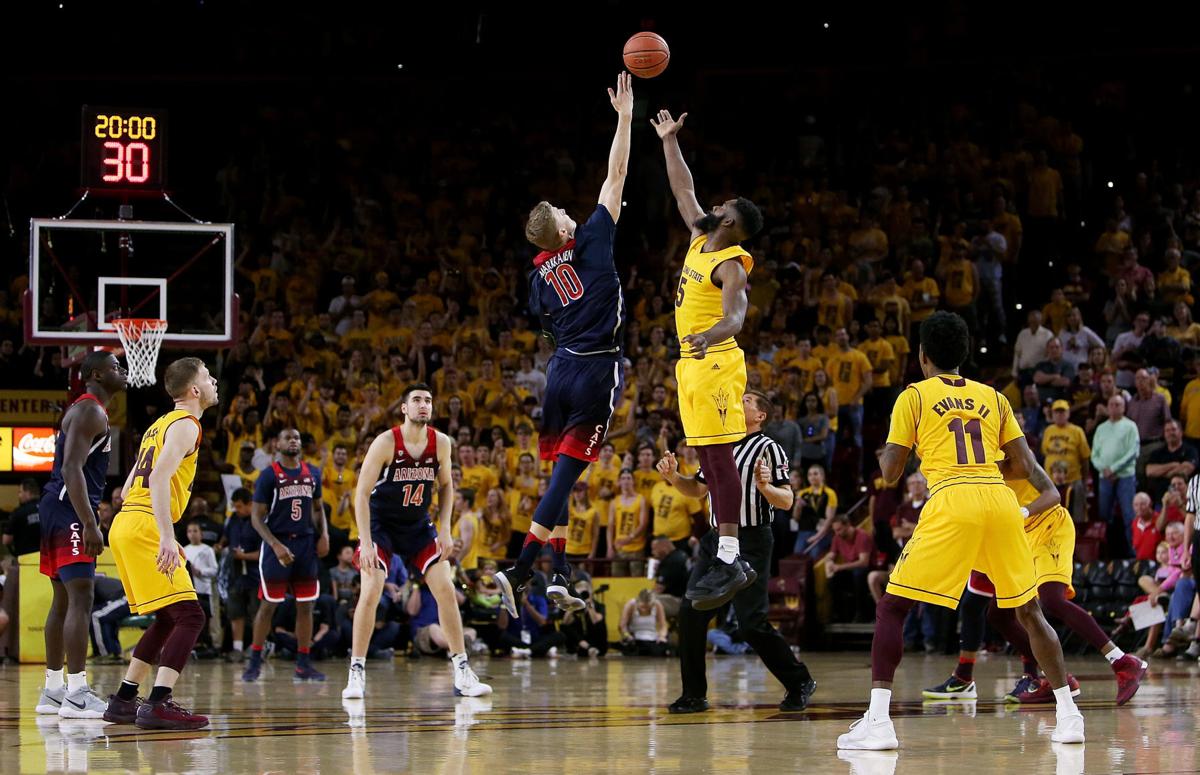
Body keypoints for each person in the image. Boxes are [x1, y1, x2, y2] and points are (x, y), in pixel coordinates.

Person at [836, 312, 1084, 750]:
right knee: (1029, 612)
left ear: (922, 356)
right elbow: (1024, 466)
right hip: (1001, 500)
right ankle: (1069, 716)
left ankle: (877, 723)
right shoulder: (994, 396)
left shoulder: (913, 396)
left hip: (952, 498)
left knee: (892, 609)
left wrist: (893, 452)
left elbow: (891, 473)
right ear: (964, 354)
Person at [495, 73, 633, 616]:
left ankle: (563, 572)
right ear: (562, 230)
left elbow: (548, 326)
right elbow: (616, 173)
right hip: (596, 370)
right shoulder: (593, 237)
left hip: (559, 371)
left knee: (562, 478)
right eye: (559, 211)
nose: (566, 209)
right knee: (565, 478)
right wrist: (624, 117)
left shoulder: (535, 279)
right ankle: (522, 566)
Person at [651, 107, 765, 610]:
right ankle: (726, 552)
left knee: (719, 458)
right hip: (692, 363)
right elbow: (683, 190)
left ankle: (731, 554)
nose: (714, 203)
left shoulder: (730, 264)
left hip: (717, 359)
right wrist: (669, 141)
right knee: (706, 457)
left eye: (724, 203)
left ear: (732, 219)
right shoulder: (701, 238)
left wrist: (710, 334)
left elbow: (736, 317)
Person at [924, 459, 1147, 705]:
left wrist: (1024, 511)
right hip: (1014, 537)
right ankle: (1047, 678)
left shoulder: (1013, 451)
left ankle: (1123, 662)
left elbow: (1053, 494)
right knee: (998, 614)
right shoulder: (963, 468)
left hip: (1047, 525)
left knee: (1052, 600)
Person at [657, 390, 817, 714]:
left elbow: (786, 500)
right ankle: (694, 694)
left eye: (746, 401)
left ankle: (799, 681)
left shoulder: (767, 447)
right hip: (715, 540)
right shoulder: (719, 446)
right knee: (691, 614)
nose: (738, 403)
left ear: (760, 416)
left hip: (752, 540)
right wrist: (673, 476)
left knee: (750, 624)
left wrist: (765, 488)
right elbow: (697, 489)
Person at [342, 383, 491, 700]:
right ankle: (356, 671)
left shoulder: (442, 443)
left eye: (428, 401)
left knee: (447, 589)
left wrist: (446, 528)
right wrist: (365, 542)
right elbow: (361, 494)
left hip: (418, 524)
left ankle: (462, 670)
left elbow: (448, 486)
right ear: (404, 408)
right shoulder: (385, 442)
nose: (424, 405)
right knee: (371, 588)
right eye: (417, 400)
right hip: (382, 524)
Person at [103, 357, 218, 729]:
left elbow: (131, 486)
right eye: (208, 377)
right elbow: (157, 478)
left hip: (127, 523)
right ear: (195, 390)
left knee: (169, 616)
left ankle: (123, 700)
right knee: (191, 615)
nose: (215, 381)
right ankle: (159, 702)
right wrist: (167, 536)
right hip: (145, 525)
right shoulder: (186, 425)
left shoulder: (160, 424)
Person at [34, 351, 126, 719]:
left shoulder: (85, 410)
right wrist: (90, 522)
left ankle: (54, 690)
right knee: (81, 597)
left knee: (63, 600)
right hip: (70, 508)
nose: (122, 372)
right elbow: (72, 468)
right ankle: (76, 693)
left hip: (57, 507)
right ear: (97, 374)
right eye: (116, 367)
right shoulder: (90, 411)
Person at [242, 428, 329, 682]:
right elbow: (256, 518)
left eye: (297, 438)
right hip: (276, 543)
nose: (294, 441)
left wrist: (324, 535)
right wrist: (275, 545)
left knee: (306, 606)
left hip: (305, 544)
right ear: (276, 444)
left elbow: (318, 507)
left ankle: (303, 663)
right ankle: (255, 660)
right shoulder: (268, 476)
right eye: (288, 438)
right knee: (268, 605)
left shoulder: (313, 473)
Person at [220, 488, 261, 661]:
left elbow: (265, 552)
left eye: (239, 506)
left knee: (257, 612)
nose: (237, 510)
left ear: (250, 504)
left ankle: (257, 647)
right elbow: (225, 539)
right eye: (235, 507)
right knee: (235, 611)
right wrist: (221, 547)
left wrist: (244, 556)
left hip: (255, 573)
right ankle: (237, 648)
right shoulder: (233, 520)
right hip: (235, 573)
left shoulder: (260, 521)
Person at [181, 520, 219, 655]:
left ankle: (206, 644)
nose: (192, 534)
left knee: (206, 619)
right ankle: (193, 645)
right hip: (190, 591)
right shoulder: (184, 550)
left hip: (204, 590)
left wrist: (200, 572)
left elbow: (214, 570)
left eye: (195, 531)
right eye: (189, 531)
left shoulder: (207, 550)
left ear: (201, 533)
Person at [619, 589, 669, 656]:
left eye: (648, 607)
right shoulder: (631, 604)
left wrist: (661, 636)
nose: (645, 609)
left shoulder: (657, 605)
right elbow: (622, 626)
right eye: (642, 607)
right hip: (634, 638)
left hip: (652, 638)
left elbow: (663, 626)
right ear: (638, 601)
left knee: (661, 649)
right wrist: (627, 636)